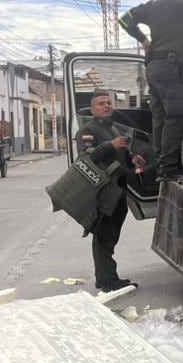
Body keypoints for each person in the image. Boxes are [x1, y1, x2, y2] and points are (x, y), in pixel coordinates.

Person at [118, 0, 183, 181]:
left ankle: (161, 166)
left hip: (153, 68)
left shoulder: (152, 6)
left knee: (159, 117)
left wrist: (144, 40)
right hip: (171, 68)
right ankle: (169, 168)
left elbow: (124, 20)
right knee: (176, 116)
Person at [76, 90, 145, 292]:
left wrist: (134, 161)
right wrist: (110, 145)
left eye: (108, 102)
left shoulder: (114, 128)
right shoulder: (88, 131)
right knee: (103, 234)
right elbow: (86, 158)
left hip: (118, 190)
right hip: (103, 191)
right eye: (101, 103)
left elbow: (121, 158)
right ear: (92, 109)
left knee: (111, 234)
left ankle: (109, 276)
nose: (106, 106)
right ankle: (106, 280)